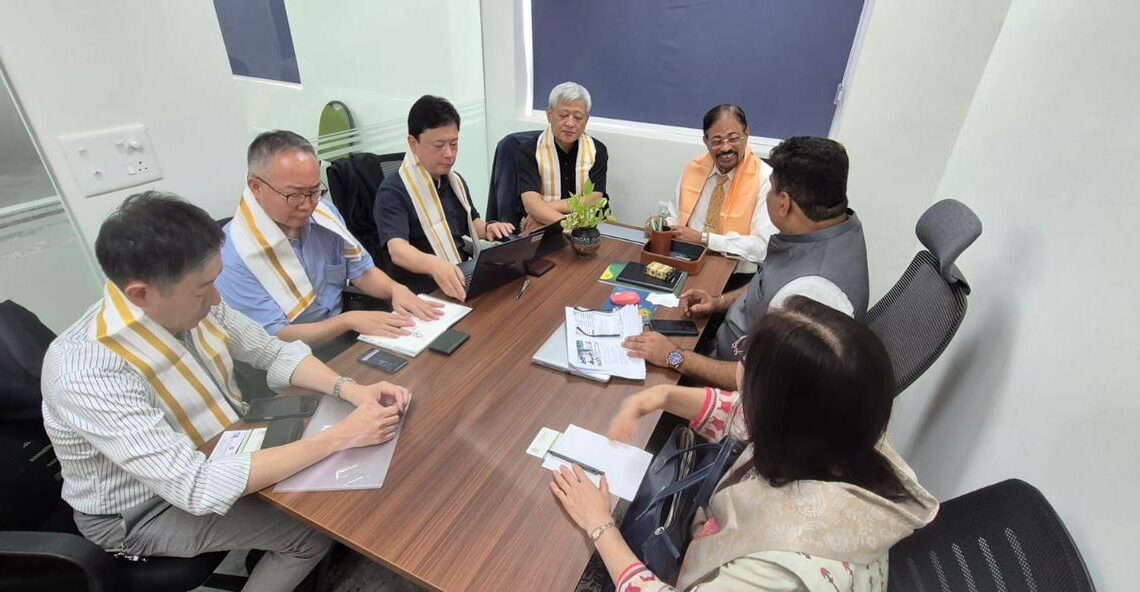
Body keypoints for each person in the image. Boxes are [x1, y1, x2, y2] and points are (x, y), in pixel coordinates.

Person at [41, 192, 411, 591]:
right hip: (142, 510)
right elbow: (196, 486)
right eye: (203, 289)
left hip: (221, 444)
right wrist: (341, 436)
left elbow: (271, 351)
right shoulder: (87, 371)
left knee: (327, 487)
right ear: (141, 294)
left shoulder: (194, 302)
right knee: (307, 534)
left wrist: (350, 390)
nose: (217, 299)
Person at [552, 297, 938, 591]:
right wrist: (660, 397)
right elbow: (741, 412)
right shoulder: (846, 433)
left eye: (746, 362)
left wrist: (600, 525)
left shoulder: (779, 572)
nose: (739, 368)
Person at [624, 136, 868, 390]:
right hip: (728, 344)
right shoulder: (832, 229)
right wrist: (718, 302)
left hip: (737, 386)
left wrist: (673, 356)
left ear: (783, 203)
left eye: (770, 190)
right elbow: (767, 283)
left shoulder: (812, 292)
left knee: (634, 388)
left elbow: (755, 379)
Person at [218, 130, 442, 353]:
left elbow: (362, 271)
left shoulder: (323, 213)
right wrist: (347, 321)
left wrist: (395, 289)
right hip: (293, 356)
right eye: (294, 195)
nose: (308, 205)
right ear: (256, 187)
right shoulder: (234, 257)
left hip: (344, 338)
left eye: (314, 191)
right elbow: (275, 337)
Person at [374, 95, 515, 301]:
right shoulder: (393, 191)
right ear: (413, 143)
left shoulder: (454, 181)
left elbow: (471, 222)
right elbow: (398, 251)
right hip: (425, 292)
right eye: (438, 145)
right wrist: (435, 265)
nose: (449, 154)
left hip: (461, 275)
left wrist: (488, 229)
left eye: (454, 144)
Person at [651, 104, 777, 276]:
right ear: (706, 141)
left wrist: (704, 239)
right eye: (717, 141)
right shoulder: (693, 168)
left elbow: (763, 247)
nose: (725, 148)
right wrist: (661, 226)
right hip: (686, 261)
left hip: (736, 272)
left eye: (733, 139)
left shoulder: (766, 179)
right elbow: (675, 220)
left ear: (747, 133)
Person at [517, 81, 609, 233]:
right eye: (563, 115)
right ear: (549, 115)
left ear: (586, 120)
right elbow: (531, 203)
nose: (570, 123)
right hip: (542, 227)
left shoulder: (597, 150)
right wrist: (570, 226)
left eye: (578, 117)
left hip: (583, 229)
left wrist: (543, 208)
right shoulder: (529, 151)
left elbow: (594, 199)